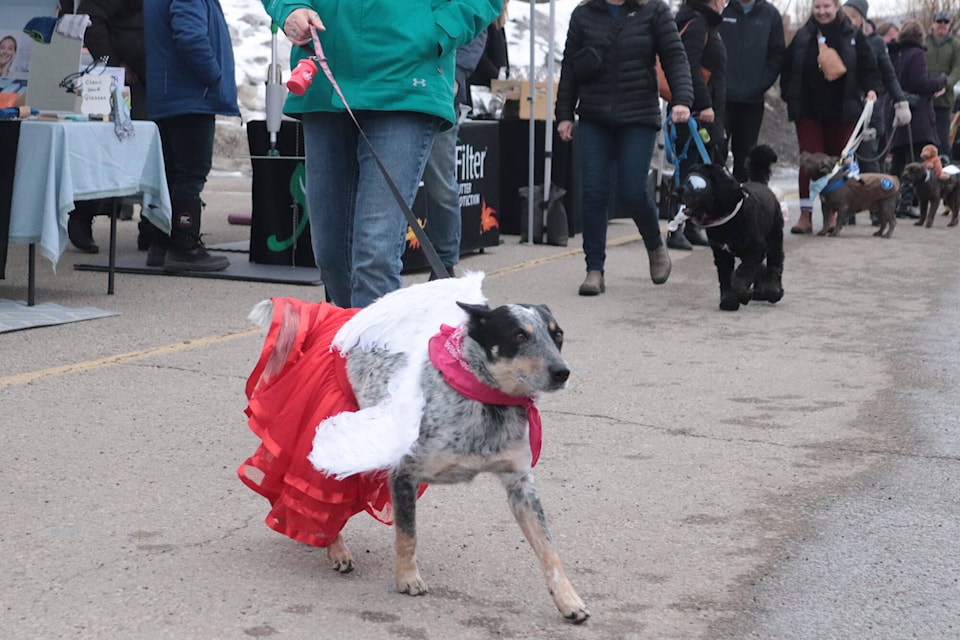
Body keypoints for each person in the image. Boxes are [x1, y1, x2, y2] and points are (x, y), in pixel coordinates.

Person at [260, 1, 499, 308]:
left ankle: (370, 353)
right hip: (325, 76)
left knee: (376, 254)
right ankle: (354, 345)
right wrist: (288, 7)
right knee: (331, 255)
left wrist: (436, 31)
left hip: (406, 81)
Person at [556, 0, 691, 296]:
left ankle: (655, 245)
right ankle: (594, 270)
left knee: (632, 190)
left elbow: (674, 57)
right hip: (593, 116)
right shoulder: (583, 14)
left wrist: (682, 99)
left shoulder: (654, 11)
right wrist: (564, 113)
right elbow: (570, 65)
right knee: (593, 192)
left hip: (638, 115)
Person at [143, 0, 239, 272]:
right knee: (190, 175)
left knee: (171, 174)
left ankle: (161, 244)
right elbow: (190, 35)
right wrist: (214, 76)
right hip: (191, 96)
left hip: (169, 95)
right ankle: (185, 245)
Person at [780, 0, 881, 235]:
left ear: (837, 7)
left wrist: (871, 89)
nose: (822, 12)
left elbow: (869, 68)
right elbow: (787, 68)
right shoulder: (803, 35)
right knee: (809, 162)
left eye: (827, 6)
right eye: (818, 7)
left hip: (843, 112)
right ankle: (805, 216)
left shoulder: (853, 35)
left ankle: (832, 215)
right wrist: (789, 95)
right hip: (808, 111)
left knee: (836, 165)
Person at [65, 0, 148, 254]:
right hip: (121, 78)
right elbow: (90, 17)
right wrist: (114, 64)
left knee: (151, 153)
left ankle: (152, 227)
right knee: (106, 149)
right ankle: (82, 215)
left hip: (152, 74)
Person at [422, 31, 488, 280]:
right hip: (392, 88)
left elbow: (475, 25)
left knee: (439, 183)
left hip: (441, 91)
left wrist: (457, 72)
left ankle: (444, 264)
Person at [666, 0, 728, 252]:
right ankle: (675, 226)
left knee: (699, 171)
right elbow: (687, 66)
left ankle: (691, 224)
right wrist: (703, 103)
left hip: (704, 112)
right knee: (688, 170)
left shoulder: (703, 23)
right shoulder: (697, 23)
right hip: (695, 112)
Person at [841, 0, 910, 180]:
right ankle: (845, 205)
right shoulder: (837, 38)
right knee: (843, 160)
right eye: (845, 15)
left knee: (869, 160)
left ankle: (877, 204)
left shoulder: (876, 42)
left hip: (869, 110)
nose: (849, 20)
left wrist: (900, 101)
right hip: (841, 108)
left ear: (862, 19)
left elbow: (888, 74)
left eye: (853, 17)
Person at [719, 0, 785, 183]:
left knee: (745, 160)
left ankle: (743, 205)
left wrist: (760, 84)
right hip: (720, 99)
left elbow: (777, 54)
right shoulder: (722, 9)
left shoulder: (770, 15)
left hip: (752, 101)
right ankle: (713, 204)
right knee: (715, 153)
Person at [887, 19, 946, 216]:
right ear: (920, 36)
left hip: (895, 111)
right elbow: (921, 83)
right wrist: (940, 82)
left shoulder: (894, 53)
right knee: (916, 163)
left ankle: (889, 202)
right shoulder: (917, 54)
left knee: (898, 161)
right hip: (916, 116)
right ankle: (905, 205)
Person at [925, 11, 960, 158]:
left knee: (943, 139)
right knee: (924, 137)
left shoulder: (955, 44)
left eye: (946, 22)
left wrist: (946, 85)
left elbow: (957, 68)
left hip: (945, 100)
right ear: (933, 23)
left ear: (949, 25)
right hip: (924, 98)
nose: (942, 25)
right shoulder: (924, 41)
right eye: (939, 22)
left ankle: (945, 172)